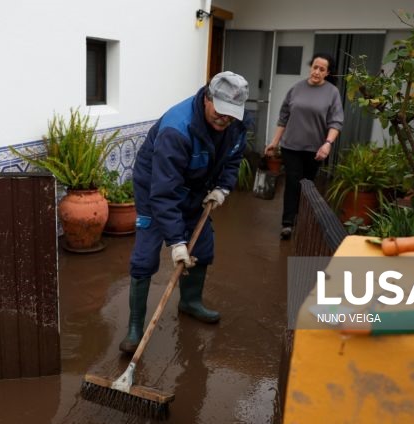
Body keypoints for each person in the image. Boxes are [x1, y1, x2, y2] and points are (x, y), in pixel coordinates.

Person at [118, 71, 249, 354]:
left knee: (202, 243)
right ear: (207, 98)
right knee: (144, 256)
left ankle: (190, 302)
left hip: (196, 186)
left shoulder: (236, 124)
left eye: (231, 114)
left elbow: (234, 155)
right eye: (220, 111)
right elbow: (164, 192)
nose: (224, 119)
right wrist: (176, 242)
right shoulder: (177, 129)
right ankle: (135, 328)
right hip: (156, 186)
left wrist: (223, 188)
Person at [265, 52, 344, 240]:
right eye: (315, 67)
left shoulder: (332, 92)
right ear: (311, 67)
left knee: (306, 185)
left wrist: (327, 144)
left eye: (321, 69)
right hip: (291, 146)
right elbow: (283, 117)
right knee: (292, 181)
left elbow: (336, 122)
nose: (316, 72)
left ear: (327, 73)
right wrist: (274, 142)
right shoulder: (296, 89)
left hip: (314, 149)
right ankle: (288, 223)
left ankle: (302, 218)